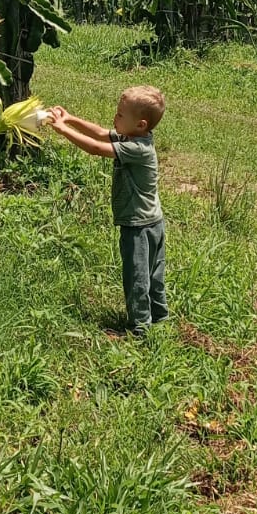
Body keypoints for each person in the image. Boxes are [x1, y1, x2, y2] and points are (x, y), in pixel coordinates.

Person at [47, 86, 167, 338]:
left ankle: (140, 329)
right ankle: (160, 316)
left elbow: (95, 148)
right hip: (153, 221)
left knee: (138, 277)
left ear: (141, 124)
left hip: (138, 225)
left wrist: (62, 130)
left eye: (120, 115)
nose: (115, 118)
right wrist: (70, 118)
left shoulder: (138, 149)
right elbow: (101, 133)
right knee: (154, 274)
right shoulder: (133, 137)